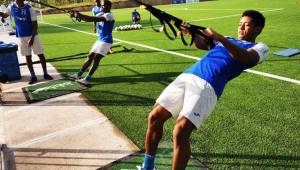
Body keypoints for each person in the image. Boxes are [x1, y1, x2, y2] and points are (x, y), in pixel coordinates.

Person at [139, 10, 269, 170]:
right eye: (239, 24)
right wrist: (190, 33)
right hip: (188, 75)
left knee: (181, 131)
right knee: (155, 117)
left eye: (246, 25)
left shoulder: (260, 47)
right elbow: (203, 44)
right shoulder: (228, 40)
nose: (241, 28)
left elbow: (246, 59)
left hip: (209, 84)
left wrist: (220, 37)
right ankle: (148, 166)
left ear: (258, 29)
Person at [0, 0, 53, 84]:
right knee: (27, 57)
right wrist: (1, 15)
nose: (18, 1)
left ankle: (45, 73)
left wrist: (32, 38)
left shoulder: (30, 8)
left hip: (33, 35)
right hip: (21, 36)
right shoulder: (11, 7)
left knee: (40, 54)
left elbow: (35, 25)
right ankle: (33, 76)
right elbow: (5, 15)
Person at [70, 0, 114, 85]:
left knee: (96, 59)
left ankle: (87, 79)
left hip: (106, 41)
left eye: (103, 6)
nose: (102, 7)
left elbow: (92, 19)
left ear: (108, 7)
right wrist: (76, 15)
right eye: (102, 6)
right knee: (90, 56)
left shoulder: (109, 16)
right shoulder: (100, 13)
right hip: (100, 40)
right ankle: (78, 75)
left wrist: (79, 15)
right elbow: (87, 19)